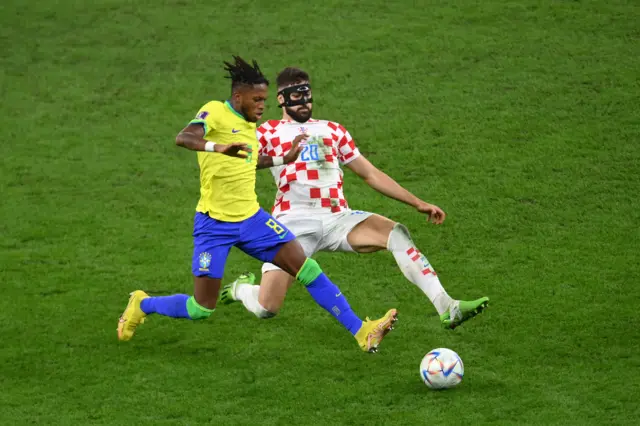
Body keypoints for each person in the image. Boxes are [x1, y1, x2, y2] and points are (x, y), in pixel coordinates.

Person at [117, 57, 397, 353]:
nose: (263, 106)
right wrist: (218, 147)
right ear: (238, 97)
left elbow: (249, 161)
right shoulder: (214, 111)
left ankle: (361, 331)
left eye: (264, 99)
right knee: (202, 307)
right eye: (257, 99)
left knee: (307, 268)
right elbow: (184, 138)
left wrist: (283, 159)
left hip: (252, 220)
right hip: (214, 225)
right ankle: (143, 302)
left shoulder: (250, 125)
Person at [220, 66, 488, 329]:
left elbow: (370, 173)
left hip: (338, 218)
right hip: (292, 223)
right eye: (296, 96)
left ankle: (447, 307)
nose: (304, 102)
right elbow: (239, 160)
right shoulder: (268, 132)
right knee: (267, 308)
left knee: (396, 233)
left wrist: (417, 202)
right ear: (281, 99)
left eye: (307, 95)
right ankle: (243, 289)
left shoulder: (333, 130)